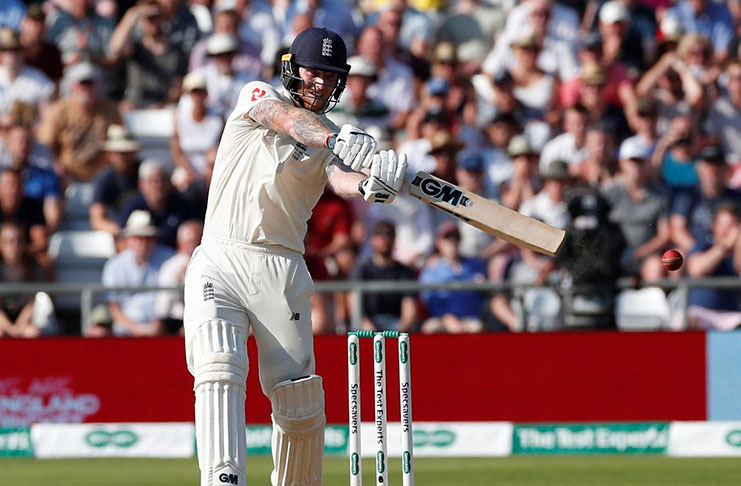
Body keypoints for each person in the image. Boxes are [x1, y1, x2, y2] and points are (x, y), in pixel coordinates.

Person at [182, 27, 407, 486]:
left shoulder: (331, 140)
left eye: (331, 76)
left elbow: (339, 178)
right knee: (219, 366)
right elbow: (287, 120)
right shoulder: (256, 95)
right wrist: (337, 139)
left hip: (282, 271)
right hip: (223, 256)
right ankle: (222, 477)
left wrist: (369, 184)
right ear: (291, 69)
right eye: (313, 72)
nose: (321, 83)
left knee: (300, 401)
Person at [100, 209, 175, 337]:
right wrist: (135, 328)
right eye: (138, 237)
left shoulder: (170, 259)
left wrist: (164, 323)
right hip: (125, 331)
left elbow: (176, 298)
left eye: (147, 237)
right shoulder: (114, 266)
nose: (143, 243)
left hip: (164, 329)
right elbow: (114, 307)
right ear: (128, 240)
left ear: (154, 239)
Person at [418, 221, 487, 334]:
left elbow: (484, 293)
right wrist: (446, 318)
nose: (452, 242)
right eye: (447, 238)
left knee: (477, 327)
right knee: (431, 328)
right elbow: (428, 299)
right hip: (442, 319)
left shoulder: (474, 264)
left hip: (470, 318)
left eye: (455, 237)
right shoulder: (431, 269)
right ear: (439, 242)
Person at [353, 221, 418, 332]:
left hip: (396, 323)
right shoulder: (362, 269)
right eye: (379, 233)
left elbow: (409, 308)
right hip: (369, 324)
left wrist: (401, 330)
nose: (384, 238)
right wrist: (367, 327)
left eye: (389, 234)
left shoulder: (405, 271)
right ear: (372, 239)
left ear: (394, 239)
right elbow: (354, 303)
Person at [685, 204, 741, 329]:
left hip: (731, 316)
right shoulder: (703, 245)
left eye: (734, 226)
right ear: (714, 227)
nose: (729, 231)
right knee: (685, 320)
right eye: (725, 226)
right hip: (699, 314)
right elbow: (696, 269)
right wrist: (724, 246)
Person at [90, 124, 142, 237]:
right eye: (120, 153)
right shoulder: (104, 179)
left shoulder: (146, 173)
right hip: (120, 234)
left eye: (128, 153)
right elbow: (97, 219)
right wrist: (121, 233)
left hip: (148, 231)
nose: (124, 158)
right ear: (109, 154)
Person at [154, 220, 202, 335]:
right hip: (175, 320)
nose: (194, 246)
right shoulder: (170, 267)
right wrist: (177, 279)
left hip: (203, 316)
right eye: (190, 242)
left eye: (197, 241)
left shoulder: (211, 264)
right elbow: (162, 307)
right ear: (180, 244)